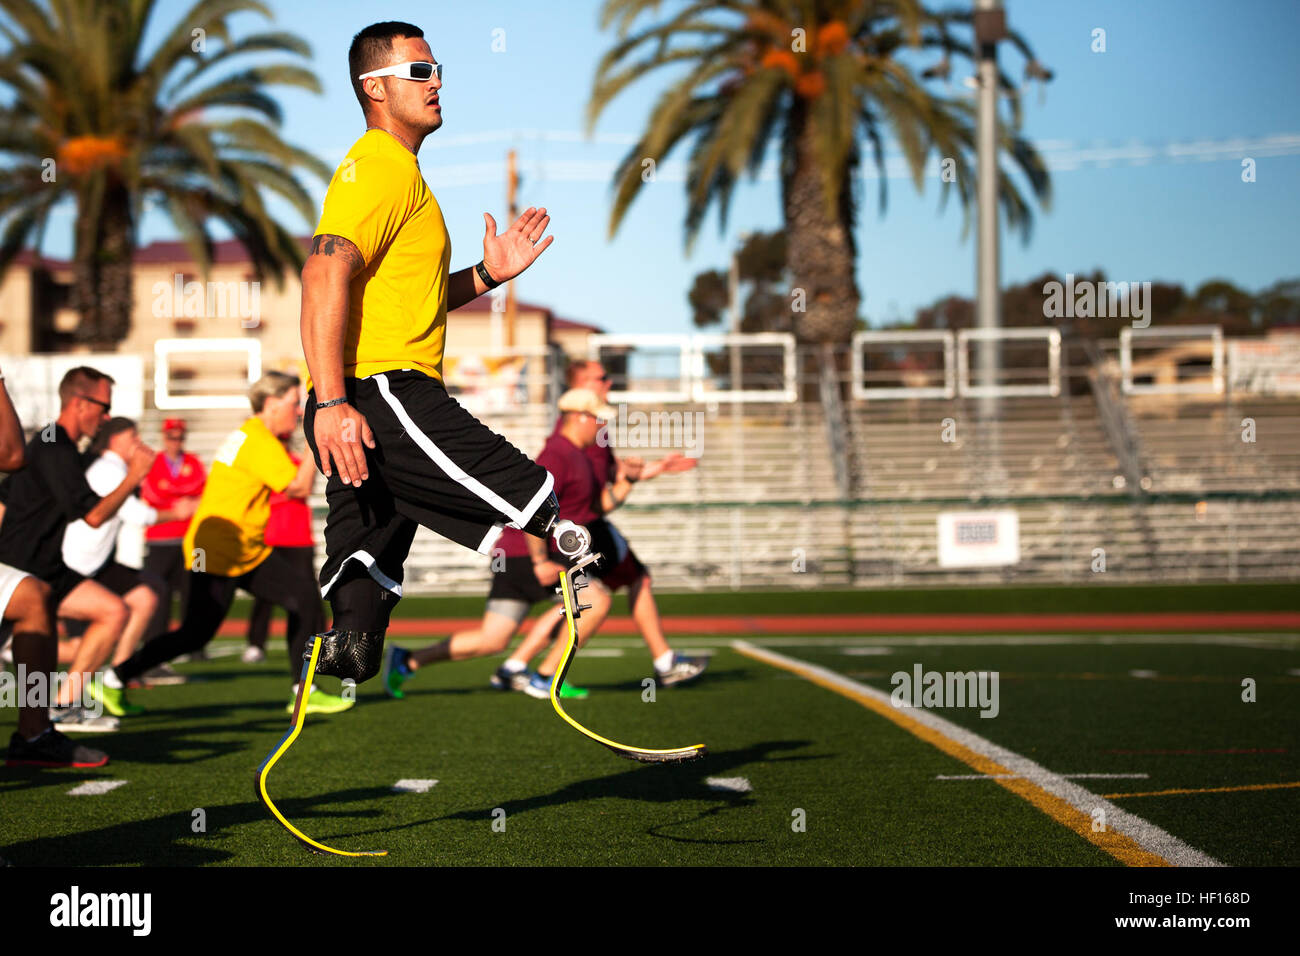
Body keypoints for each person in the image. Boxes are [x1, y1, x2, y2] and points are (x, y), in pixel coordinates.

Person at [296, 21, 571, 689]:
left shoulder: (404, 176)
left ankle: (344, 647)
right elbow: (322, 272)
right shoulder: (379, 168)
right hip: (377, 394)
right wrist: (333, 402)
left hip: (363, 403)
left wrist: (487, 276)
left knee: (360, 618)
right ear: (377, 88)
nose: (438, 81)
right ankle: (583, 563)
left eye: (437, 68)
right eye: (420, 72)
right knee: (541, 501)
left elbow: (409, 300)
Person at [107, 373, 349, 714]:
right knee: (195, 634)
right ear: (271, 403)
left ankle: (303, 691)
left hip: (236, 549)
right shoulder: (259, 439)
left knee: (304, 598)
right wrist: (314, 439)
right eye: (295, 404)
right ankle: (115, 678)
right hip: (216, 550)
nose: (297, 412)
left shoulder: (253, 435)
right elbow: (297, 487)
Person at [381, 389, 629, 699]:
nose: (603, 427)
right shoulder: (558, 455)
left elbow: (594, 509)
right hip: (526, 554)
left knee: (492, 639)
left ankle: (408, 661)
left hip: (519, 555)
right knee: (596, 602)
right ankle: (544, 677)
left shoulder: (577, 456)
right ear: (580, 417)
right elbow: (532, 509)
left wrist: (628, 482)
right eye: (599, 419)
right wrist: (539, 561)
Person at [522, 359, 707, 687]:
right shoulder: (565, 447)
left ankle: (531, 670)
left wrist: (651, 471)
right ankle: (535, 672)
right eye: (600, 378)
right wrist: (539, 558)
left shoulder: (590, 437)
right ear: (579, 392)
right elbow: (536, 505)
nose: (608, 383)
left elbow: (607, 488)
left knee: (621, 587)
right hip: (576, 536)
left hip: (591, 527)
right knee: (588, 603)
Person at [0, 367, 152, 748]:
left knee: (113, 611)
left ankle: (63, 704)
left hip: (47, 565)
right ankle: (39, 725)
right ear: (80, 403)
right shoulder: (53, 445)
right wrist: (134, 476)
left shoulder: (60, 446)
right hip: (23, 565)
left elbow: (6, 494)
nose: (105, 418)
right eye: (103, 408)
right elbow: (95, 516)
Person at [59, 417, 196, 716]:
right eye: (132, 435)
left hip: (98, 564)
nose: (138, 440)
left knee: (147, 594)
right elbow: (136, 514)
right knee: (83, 644)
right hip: (75, 566)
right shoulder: (109, 469)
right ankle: (60, 703)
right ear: (115, 440)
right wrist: (177, 511)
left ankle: (112, 678)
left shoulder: (119, 468)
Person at [244, 437, 319, 664]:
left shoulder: (296, 462)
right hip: (271, 536)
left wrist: (285, 492)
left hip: (299, 539)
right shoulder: (265, 464)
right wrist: (287, 492)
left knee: (310, 596)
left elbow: (302, 489)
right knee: (264, 597)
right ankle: (256, 644)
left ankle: (317, 644)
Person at [139, 416, 205, 666]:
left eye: (179, 437)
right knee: (158, 594)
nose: (175, 441)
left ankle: (193, 643)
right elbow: (152, 492)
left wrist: (181, 499)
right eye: (171, 436)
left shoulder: (193, 461)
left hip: (192, 541)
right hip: (160, 540)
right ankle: (154, 646)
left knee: (196, 592)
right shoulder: (153, 462)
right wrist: (184, 499)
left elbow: (204, 491)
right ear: (163, 436)